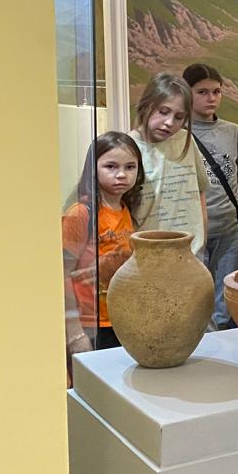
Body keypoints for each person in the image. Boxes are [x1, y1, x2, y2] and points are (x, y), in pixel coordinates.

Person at [183, 63, 238, 328]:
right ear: (187, 93)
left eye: (216, 92)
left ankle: (220, 344)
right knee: (194, 300)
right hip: (192, 233)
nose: (211, 98)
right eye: (202, 92)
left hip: (230, 230)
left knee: (226, 302)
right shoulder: (178, 134)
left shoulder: (234, 133)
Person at [62, 131, 144, 353]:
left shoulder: (125, 209)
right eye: (111, 166)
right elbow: (62, 274)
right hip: (89, 322)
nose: (121, 175)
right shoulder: (81, 213)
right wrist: (74, 332)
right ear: (93, 168)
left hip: (119, 317)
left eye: (130, 167)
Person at [128, 72, 210, 256]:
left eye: (179, 117)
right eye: (163, 112)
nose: (169, 123)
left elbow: (200, 192)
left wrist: (202, 238)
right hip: (147, 253)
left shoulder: (185, 140)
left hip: (190, 252)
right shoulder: (128, 147)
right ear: (146, 105)